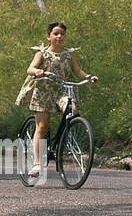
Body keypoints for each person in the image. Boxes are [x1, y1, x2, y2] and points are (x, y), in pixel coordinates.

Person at [15, 22, 97, 181]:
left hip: (61, 91)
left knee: (72, 109)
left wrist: (88, 77)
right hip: (43, 92)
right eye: (56, 33)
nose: (59, 36)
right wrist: (37, 71)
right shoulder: (42, 53)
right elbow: (30, 68)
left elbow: (77, 71)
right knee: (42, 126)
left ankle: (63, 140)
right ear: (49, 37)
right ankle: (37, 163)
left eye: (62, 34)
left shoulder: (69, 54)